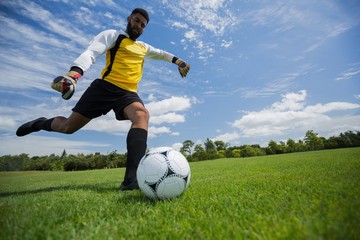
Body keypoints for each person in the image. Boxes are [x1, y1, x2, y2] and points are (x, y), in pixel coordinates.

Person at [15, 8, 190, 191]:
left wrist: (180, 62)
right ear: (129, 19)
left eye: (142, 25)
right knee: (67, 127)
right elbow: (92, 52)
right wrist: (74, 74)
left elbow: (162, 54)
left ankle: (131, 180)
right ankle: (39, 123)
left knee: (142, 115)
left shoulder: (144, 48)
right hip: (104, 88)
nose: (138, 26)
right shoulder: (114, 35)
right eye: (136, 21)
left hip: (127, 93)